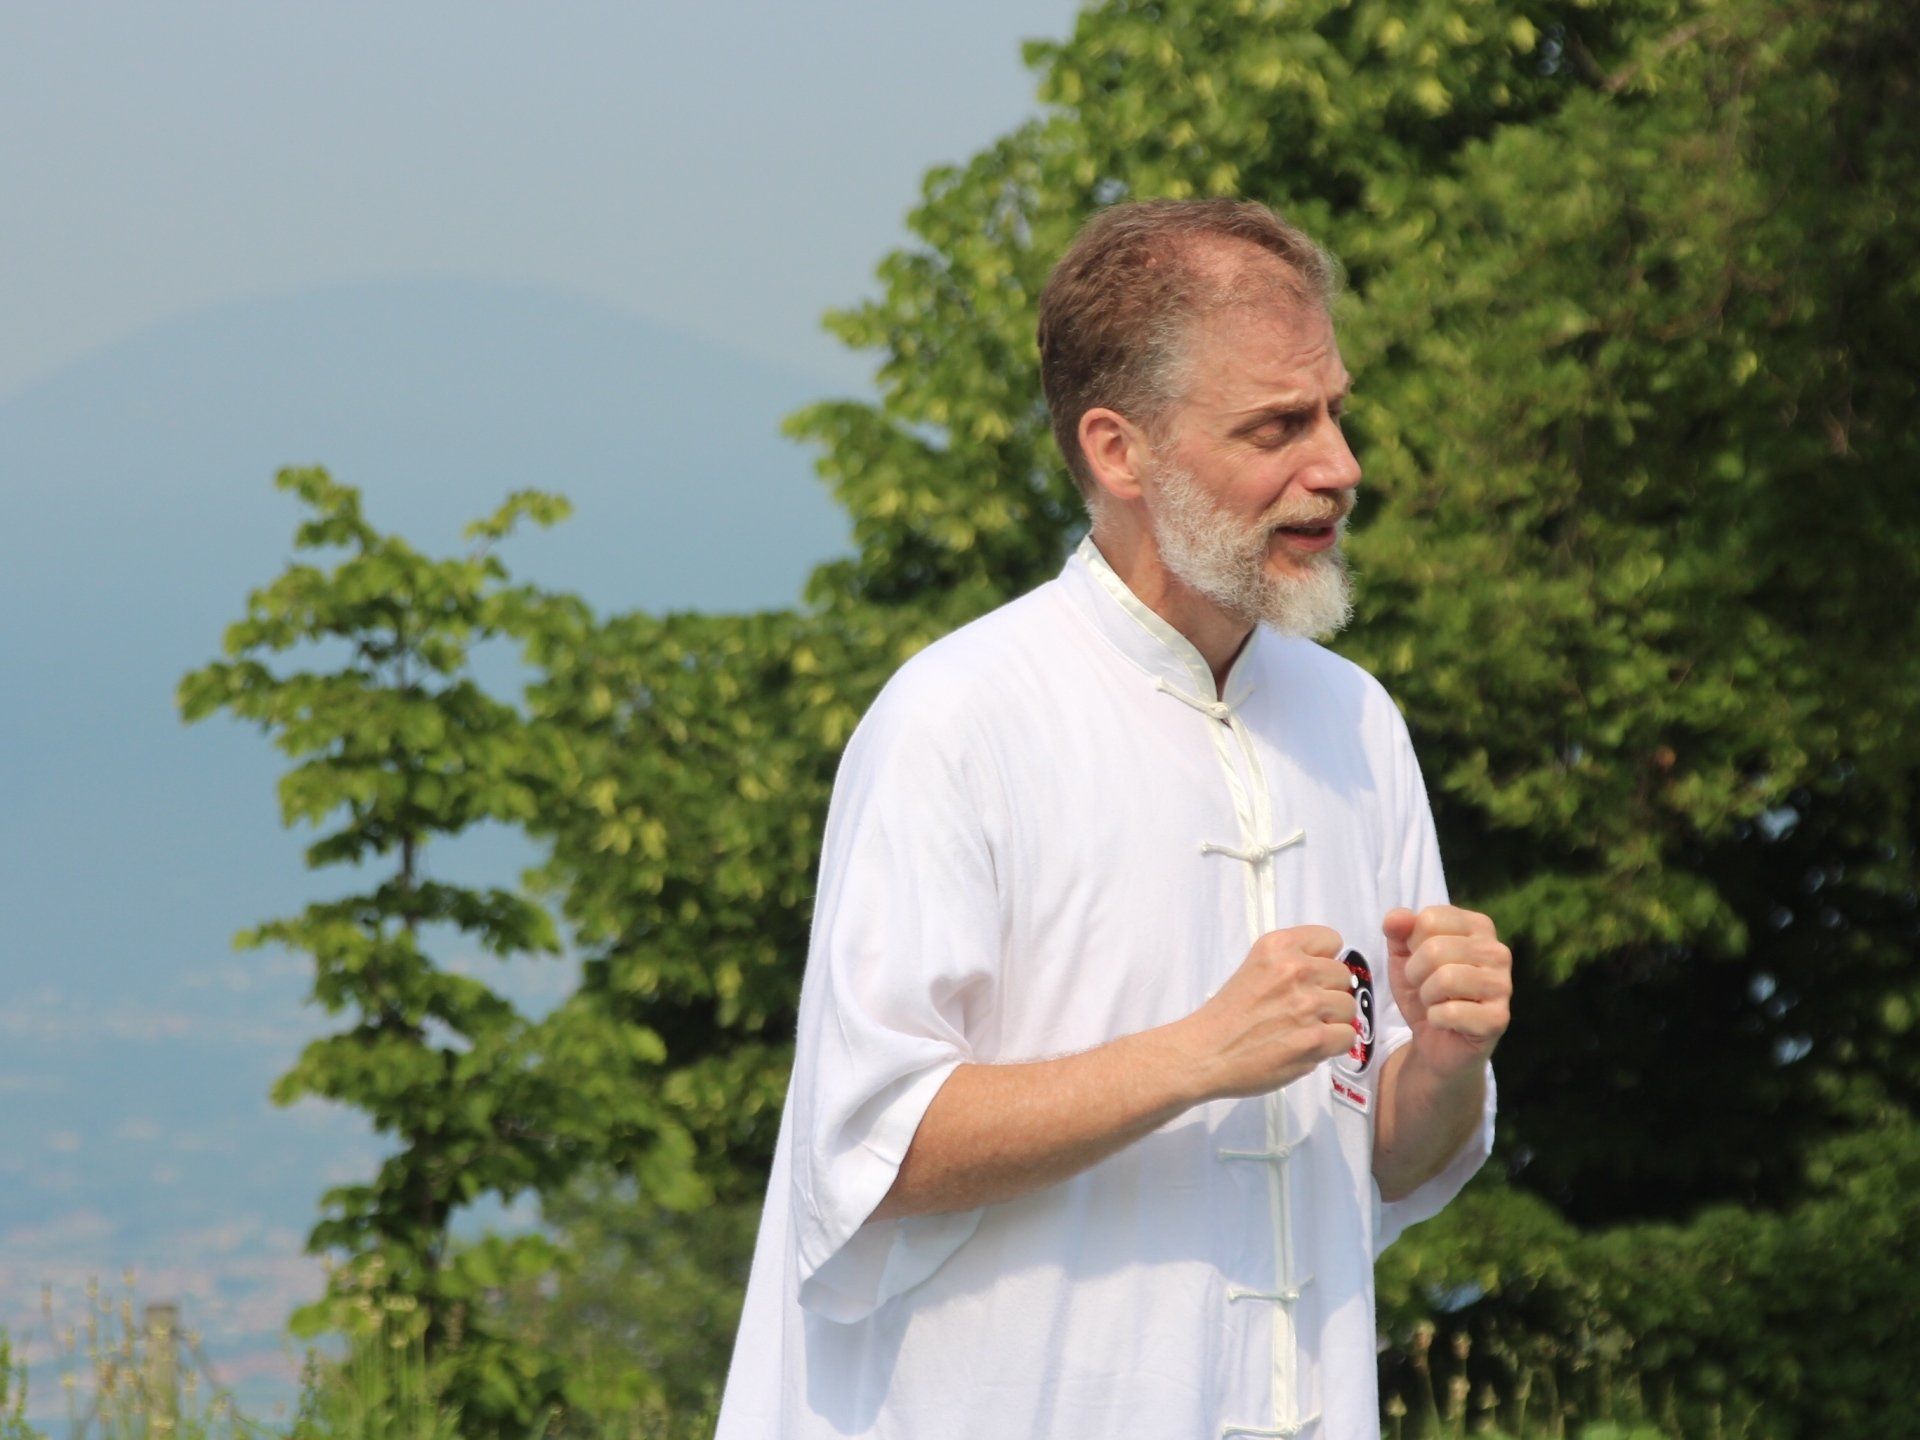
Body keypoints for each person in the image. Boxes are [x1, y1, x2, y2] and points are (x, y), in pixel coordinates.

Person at [714, 198, 1514, 1440]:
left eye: (1336, 411)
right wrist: (1194, 1054)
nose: (1340, 468)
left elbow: (1394, 1159)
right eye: (1277, 426)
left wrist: (1451, 1061)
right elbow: (866, 1153)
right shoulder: (957, 723)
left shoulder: (1356, 724)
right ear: (1117, 450)